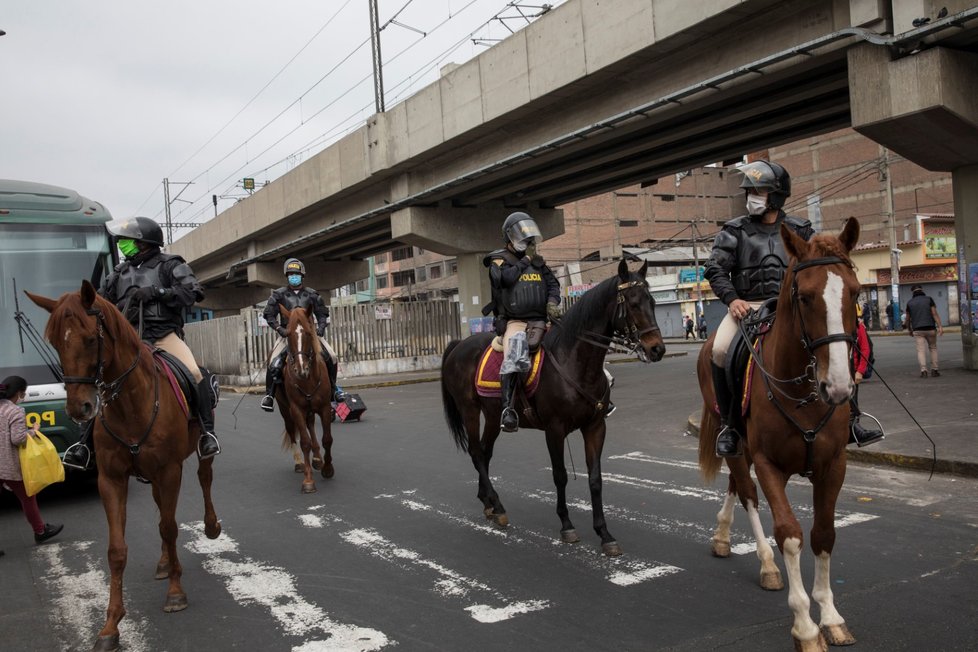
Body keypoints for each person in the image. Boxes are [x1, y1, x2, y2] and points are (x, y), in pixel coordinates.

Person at [62, 217, 220, 470]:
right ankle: (83, 445)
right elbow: (100, 301)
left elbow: (194, 292)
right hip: (129, 340)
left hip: (163, 336)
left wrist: (159, 293)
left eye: (127, 241)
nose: (122, 245)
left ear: (144, 243)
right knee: (102, 382)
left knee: (193, 373)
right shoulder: (119, 273)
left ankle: (206, 434)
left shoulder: (171, 265)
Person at [703, 159, 815, 457]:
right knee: (719, 350)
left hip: (789, 306)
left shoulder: (801, 229)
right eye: (749, 190)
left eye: (759, 190)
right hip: (746, 307)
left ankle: (853, 416)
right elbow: (715, 270)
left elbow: (816, 266)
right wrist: (732, 299)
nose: (752, 196)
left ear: (776, 195)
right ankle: (728, 425)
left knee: (836, 341)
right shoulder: (733, 230)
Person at [484, 211, 561, 432]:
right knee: (516, 350)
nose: (527, 243)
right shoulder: (499, 261)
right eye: (522, 238)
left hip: (540, 319)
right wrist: (525, 260)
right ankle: (508, 410)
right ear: (510, 238)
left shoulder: (538, 264)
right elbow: (504, 281)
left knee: (571, 339)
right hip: (515, 321)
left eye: (529, 239)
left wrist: (552, 302)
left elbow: (553, 284)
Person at [260, 258, 345, 412]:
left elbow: (322, 314)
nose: (294, 276)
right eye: (291, 274)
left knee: (331, 356)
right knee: (274, 362)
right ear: (287, 276)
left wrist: (321, 328)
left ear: (302, 275)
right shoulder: (279, 295)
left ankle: (334, 390)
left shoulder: (312, 294)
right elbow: (269, 316)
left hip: (310, 335)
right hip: (287, 334)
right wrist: (280, 329)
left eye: (296, 274)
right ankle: (269, 396)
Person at [0, 376, 63, 546]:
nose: (24, 396)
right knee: (28, 498)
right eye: (24, 393)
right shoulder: (16, 411)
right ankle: (40, 531)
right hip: (8, 466)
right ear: (19, 393)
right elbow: (17, 439)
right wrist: (33, 431)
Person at [849, 304, 883, 446]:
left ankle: (855, 431)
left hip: (853, 371)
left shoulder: (859, 327)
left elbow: (865, 349)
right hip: (836, 371)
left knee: (852, 404)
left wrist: (860, 371)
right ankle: (853, 431)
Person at [905, 284, 943, 377]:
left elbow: (907, 319)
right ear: (922, 290)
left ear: (912, 292)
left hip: (917, 330)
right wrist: (940, 327)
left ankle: (923, 371)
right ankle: (935, 370)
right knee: (933, 348)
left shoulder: (910, 303)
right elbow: (934, 313)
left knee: (921, 350)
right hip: (930, 328)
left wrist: (909, 329)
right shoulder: (929, 299)